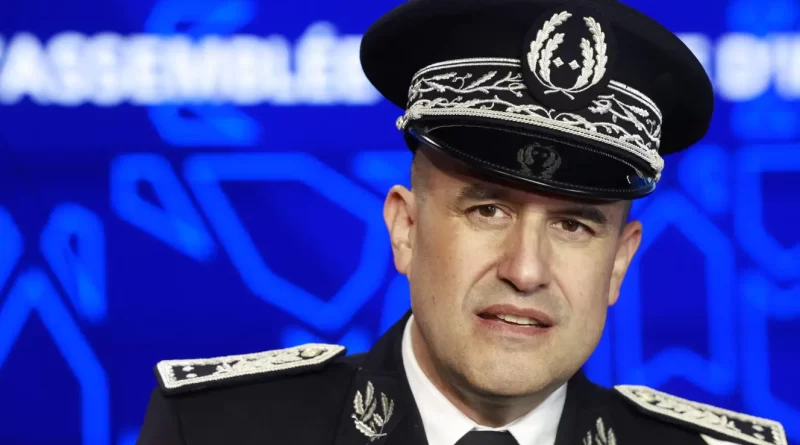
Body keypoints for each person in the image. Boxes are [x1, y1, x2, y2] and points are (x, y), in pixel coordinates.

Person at [137, 0, 789, 444]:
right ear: (405, 228)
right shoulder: (218, 430)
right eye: (488, 209)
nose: (526, 270)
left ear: (619, 261)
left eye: (574, 226)